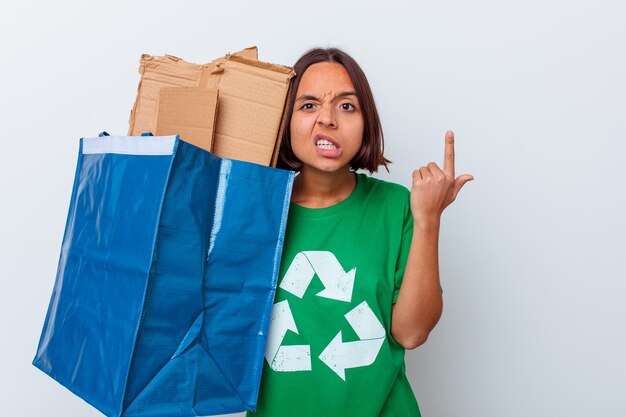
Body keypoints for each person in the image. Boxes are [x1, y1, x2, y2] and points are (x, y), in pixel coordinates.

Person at [248, 47, 473, 417]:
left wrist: (429, 218)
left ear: (367, 121)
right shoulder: (253, 209)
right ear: (284, 120)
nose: (327, 119)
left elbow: (411, 333)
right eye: (308, 106)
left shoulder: (397, 206)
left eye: (346, 106)